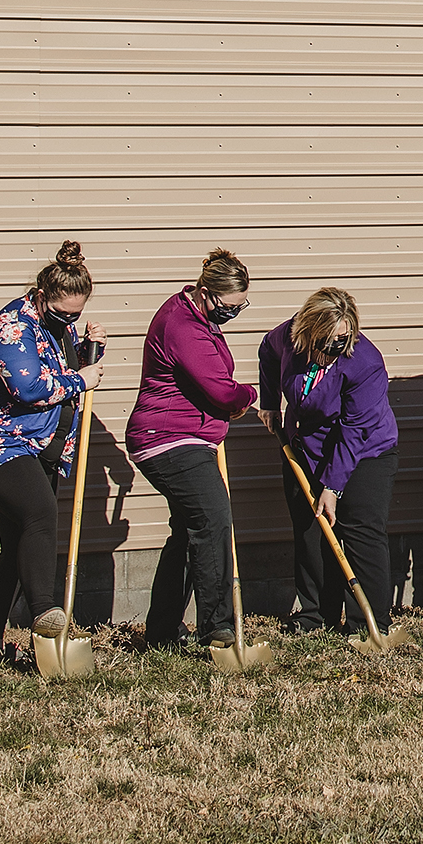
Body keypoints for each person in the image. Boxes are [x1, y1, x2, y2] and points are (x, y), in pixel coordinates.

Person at [0, 241, 106, 657]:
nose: (68, 320)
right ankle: (45, 612)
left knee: (20, 543)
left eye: (75, 315)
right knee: (41, 512)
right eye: (61, 313)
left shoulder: (59, 326)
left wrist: (91, 351)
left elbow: (68, 371)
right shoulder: (11, 327)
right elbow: (30, 387)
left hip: (40, 445)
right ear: (40, 297)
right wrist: (83, 380)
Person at [126, 249, 259, 650]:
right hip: (168, 438)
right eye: (228, 306)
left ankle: (163, 630)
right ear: (205, 292)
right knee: (213, 521)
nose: (233, 313)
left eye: (241, 306)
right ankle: (217, 627)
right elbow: (219, 387)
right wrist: (247, 395)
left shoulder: (198, 317)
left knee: (187, 532)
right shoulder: (184, 324)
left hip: (189, 436)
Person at [257, 287, 399, 637]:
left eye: (342, 340)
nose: (335, 349)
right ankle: (316, 615)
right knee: (310, 530)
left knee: (360, 531)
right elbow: (267, 351)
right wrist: (271, 402)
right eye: (327, 341)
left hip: (366, 452)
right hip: (305, 447)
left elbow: (354, 431)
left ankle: (368, 622)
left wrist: (333, 487)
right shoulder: (289, 338)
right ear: (307, 332)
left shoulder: (365, 362)